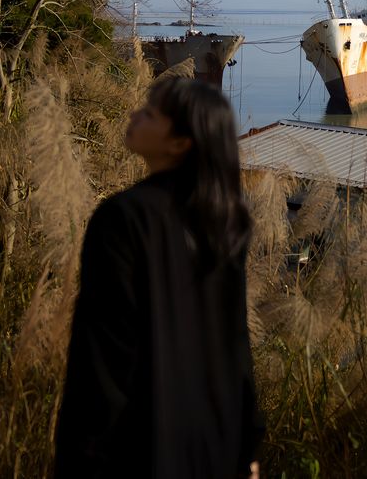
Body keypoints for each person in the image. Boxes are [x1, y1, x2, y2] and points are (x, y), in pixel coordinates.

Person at [55, 77, 264, 479]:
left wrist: (82, 456)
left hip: (139, 449)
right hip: (214, 447)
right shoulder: (227, 225)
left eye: (150, 113)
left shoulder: (122, 218)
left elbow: (104, 358)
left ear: (180, 143)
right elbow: (236, 346)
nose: (135, 114)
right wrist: (248, 450)